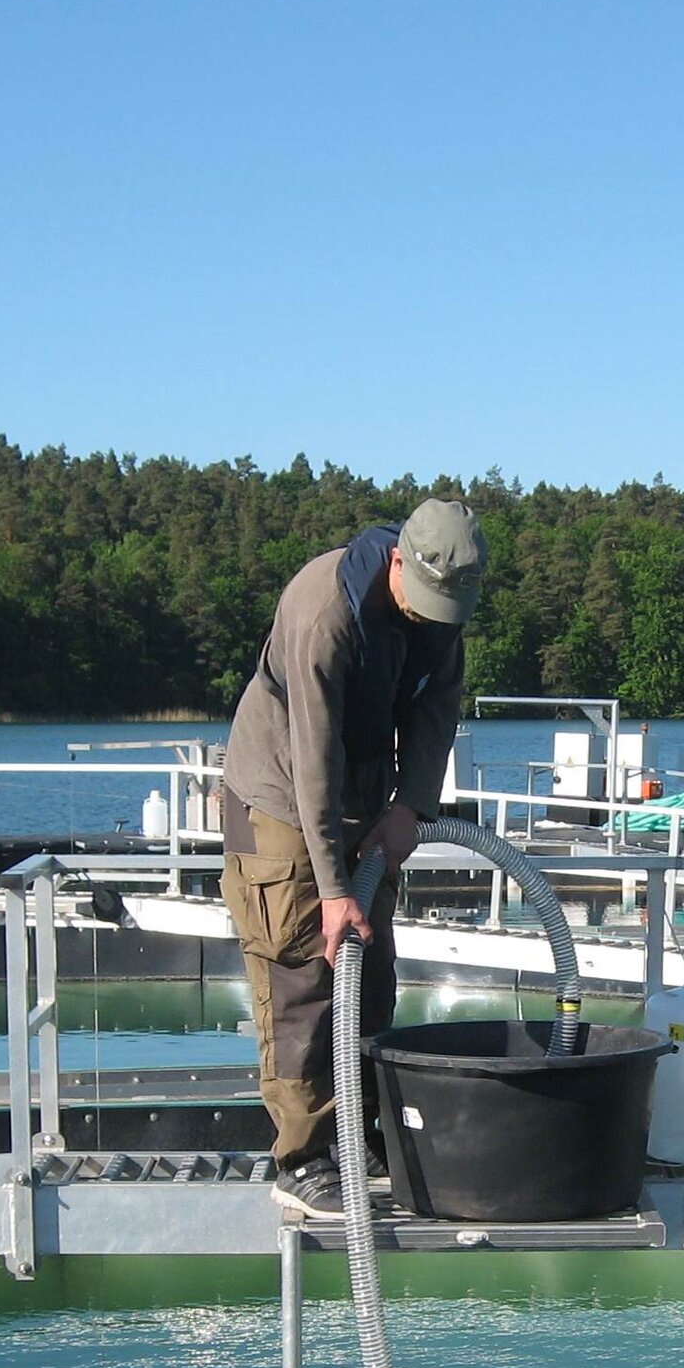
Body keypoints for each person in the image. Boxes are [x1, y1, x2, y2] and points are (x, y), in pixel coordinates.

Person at [221, 499, 485, 1216]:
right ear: (399, 560)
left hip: (365, 784)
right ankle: (301, 1156)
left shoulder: (441, 612)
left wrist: (410, 808)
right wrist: (333, 888)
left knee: (366, 966)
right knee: (304, 970)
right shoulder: (323, 609)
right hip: (279, 792)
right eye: (426, 602)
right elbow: (312, 758)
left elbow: (437, 711)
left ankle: (355, 1130)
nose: (435, 619)